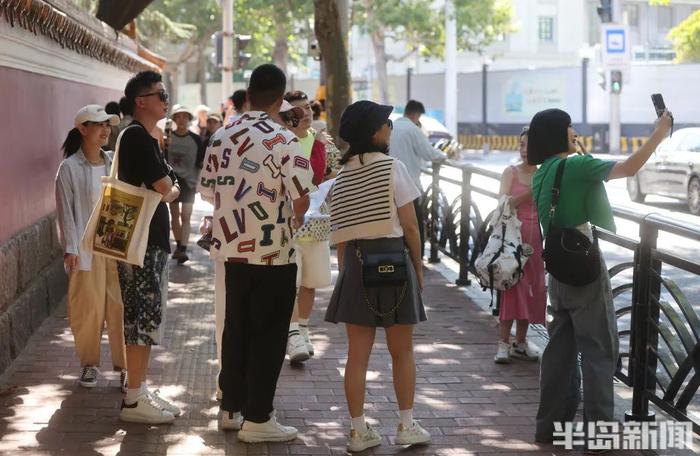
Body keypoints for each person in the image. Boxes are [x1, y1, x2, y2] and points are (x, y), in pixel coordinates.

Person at [529, 108, 673, 448]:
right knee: (598, 351)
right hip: (585, 272)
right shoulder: (577, 167)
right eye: (569, 128)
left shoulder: (543, 172)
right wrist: (659, 132)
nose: (574, 131)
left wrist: (576, 150)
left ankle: (548, 426)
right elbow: (628, 168)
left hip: (559, 271)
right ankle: (599, 435)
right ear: (559, 133)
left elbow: (574, 182)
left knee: (560, 351)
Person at [198, 64, 315, 442]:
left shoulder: (221, 135)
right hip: (274, 253)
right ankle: (259, 418)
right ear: (281, 98)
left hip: (232, 251)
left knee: (236, 328)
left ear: (248, 94)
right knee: (268, 334)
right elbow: (301, 201)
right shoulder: (285, 140)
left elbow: (207, 192)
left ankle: (230, 408)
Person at [324, 100, 430, 452]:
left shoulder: (341, 178)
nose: (391, 128)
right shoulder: (392, 168)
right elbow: (411, 227)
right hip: (394, 262)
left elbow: (339, 236)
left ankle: (357, 431)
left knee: (357, 355)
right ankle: (406, 425)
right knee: (402, 352)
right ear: (374, 132)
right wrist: (417, 269)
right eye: (386, 123)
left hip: (355, 264)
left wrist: (346, 273)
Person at [117, 71, 182, 424]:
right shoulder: (137, 138)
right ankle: (132, 399)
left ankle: (139, 390)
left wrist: (169, 185)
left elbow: (169, 183)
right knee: (142, 319)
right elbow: (166, 187)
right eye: (161, 94)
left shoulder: (142, 136)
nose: (166, 100)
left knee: (143, 318)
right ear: (141, 101)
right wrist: (170, 188)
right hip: (142, 244)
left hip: (144, 241)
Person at [55, 105, 127, 391]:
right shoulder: (69, 168)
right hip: (85, 252)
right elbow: (66, 213)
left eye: (107, 125)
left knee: (120, 309)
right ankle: (89, 364)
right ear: (82, 129)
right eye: (98, 125)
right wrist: (70, 249)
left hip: (115, 249)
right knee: (87, 311)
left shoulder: (114, 163)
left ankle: (124, 368)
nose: (105, 130)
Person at [279, 91, 332, 364]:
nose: (307, 113)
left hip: (317, 219)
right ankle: (292, 334)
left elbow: (330, 176)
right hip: (287, 220)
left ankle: (303, 328)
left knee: (312, 278)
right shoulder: (280, 142)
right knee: (292, 279)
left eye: (309, 108)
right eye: (299, 110)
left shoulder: (322, 141)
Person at [494, 127, 546, 364]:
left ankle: (521, 342)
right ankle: (503, 343)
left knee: (532, 289)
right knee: (512, 288)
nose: (524, 150)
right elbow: (504, 205)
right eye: (521, 145)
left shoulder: (545, 173)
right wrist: (530, 194)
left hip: (535, 241)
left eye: (529, 145)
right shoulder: (510, 172)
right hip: (513, 239)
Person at [389, 100, 445, 257]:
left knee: (395, 224)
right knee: (414, 225)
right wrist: (444, 155)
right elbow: (429, 153)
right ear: (416, 115)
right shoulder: (413, 130)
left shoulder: (391, 127)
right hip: (408, 187)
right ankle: (416, 258)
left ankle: (398, 256)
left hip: (388, 185)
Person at [165, 105, 205, 264]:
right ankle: (179, 247)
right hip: (172, 182)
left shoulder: (196, 140)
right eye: (178, 116)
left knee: (186, 216)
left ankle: (183, 247)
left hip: (189, 183)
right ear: (174, 119)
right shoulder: (167, 138)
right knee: (174, 215)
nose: (181, 120)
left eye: (185, 116)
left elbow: (201, 163)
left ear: (189, 119)